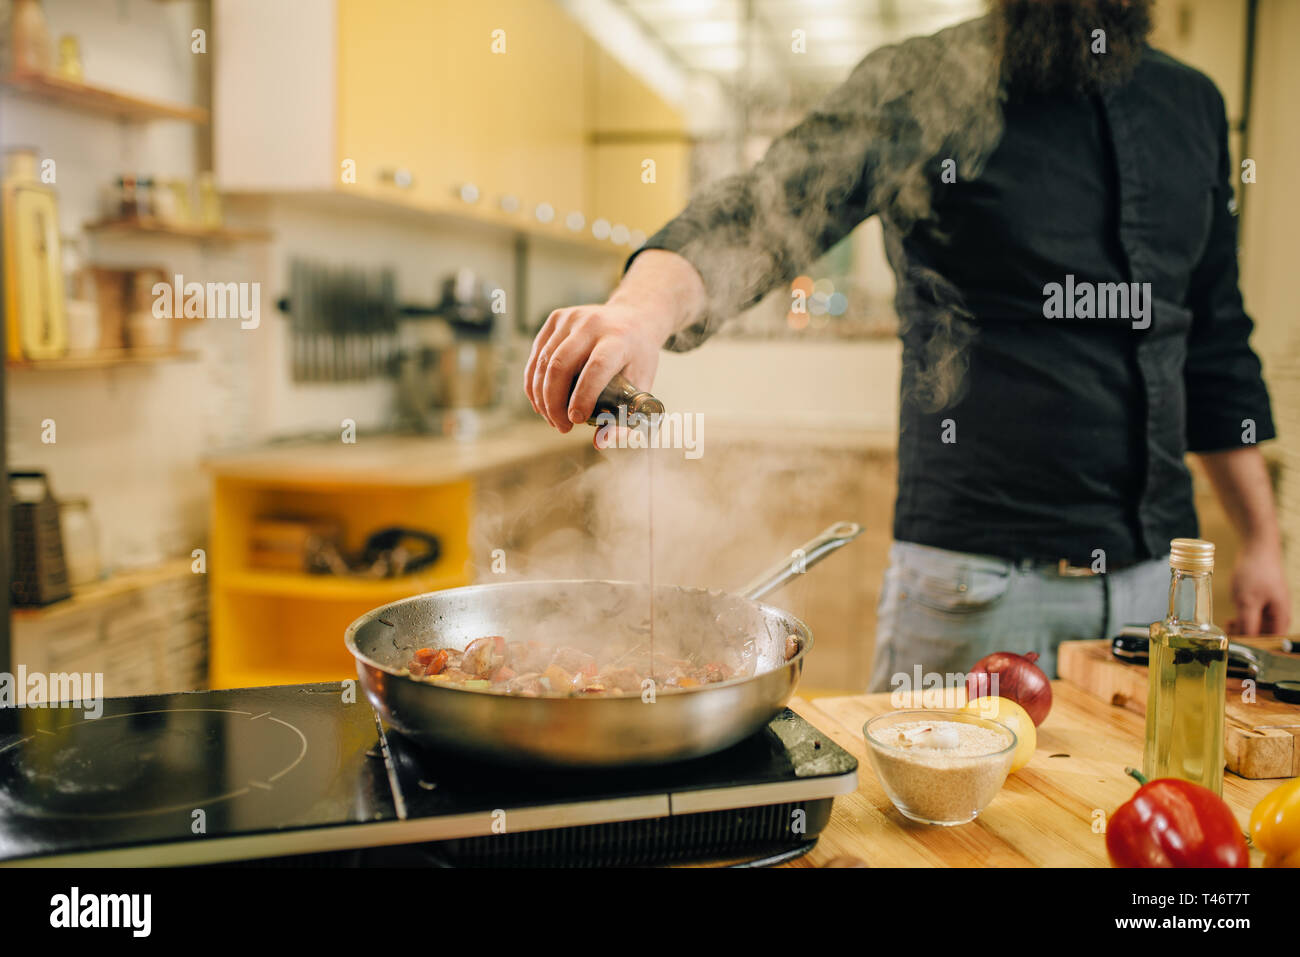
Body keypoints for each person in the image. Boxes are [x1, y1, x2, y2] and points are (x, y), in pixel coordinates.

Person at [523, 0, 1290, 689]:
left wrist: (1260, 538)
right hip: (973, 594)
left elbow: (1216, 342)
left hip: (1154, 592)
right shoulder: (918, 80)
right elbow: (767, 206)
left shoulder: (1192, 106)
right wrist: (638, 311)